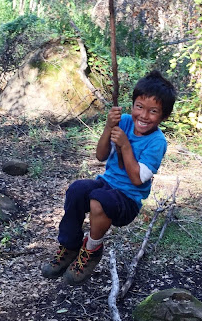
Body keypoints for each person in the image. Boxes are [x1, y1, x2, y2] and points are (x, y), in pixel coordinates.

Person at [41, 70, 177, 285]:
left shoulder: (157, 142)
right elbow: (100, 155)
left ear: (164, 116)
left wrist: (125, 145)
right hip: (106, 184)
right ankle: (70, 245)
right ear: (132, 105)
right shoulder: (122, 122)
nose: (143, 115)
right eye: (139, 107)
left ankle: (92, 250)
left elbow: (136, 180)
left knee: (99, 201)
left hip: (128, 199)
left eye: (153, 111)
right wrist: (108, 126)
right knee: (77, 190)